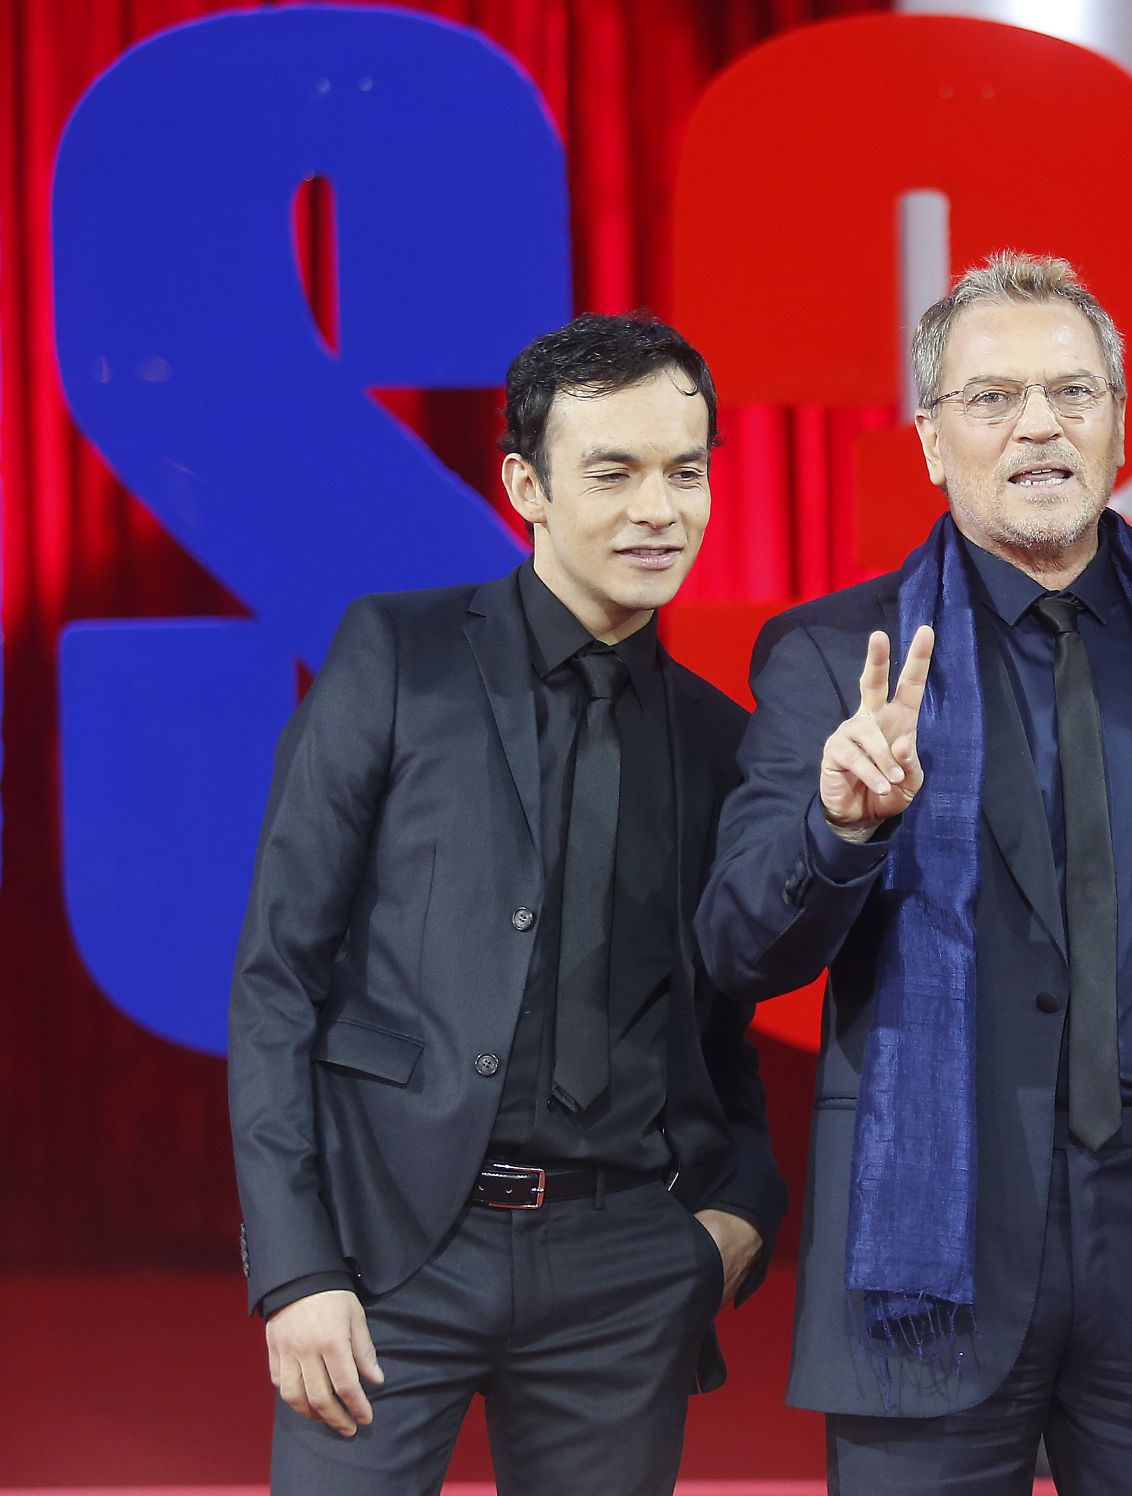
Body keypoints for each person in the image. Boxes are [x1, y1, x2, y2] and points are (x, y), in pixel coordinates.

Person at [698, 252, 1132, 1494]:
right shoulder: (835, 655)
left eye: (1071, 392)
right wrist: (839, 828)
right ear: (931, 442)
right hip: (925, 1243)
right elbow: (739, 945)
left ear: (1118, 424)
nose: (1037, 425)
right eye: (992, 398)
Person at [228, 311, 785, 1495]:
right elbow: (279, 974)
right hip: (385, 1250)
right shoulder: (397, 654)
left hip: (623, 1268)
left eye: (685, 472)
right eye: (614, 472)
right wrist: (295, 1265)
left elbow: (718, 1021)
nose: (658, 509)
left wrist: (738, 1208)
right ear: (525, 484)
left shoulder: (720, 740)